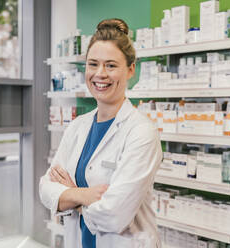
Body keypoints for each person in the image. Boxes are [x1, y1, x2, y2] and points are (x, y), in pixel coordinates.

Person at [39, 18, 162, 248]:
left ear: (131, 70)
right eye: (93, 64)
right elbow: (46, 189)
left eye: (111, 65)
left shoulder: (142, 133)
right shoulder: (78, 126)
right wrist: (85, 195)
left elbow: (114, 215)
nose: (100, 74)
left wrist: (70, 195)